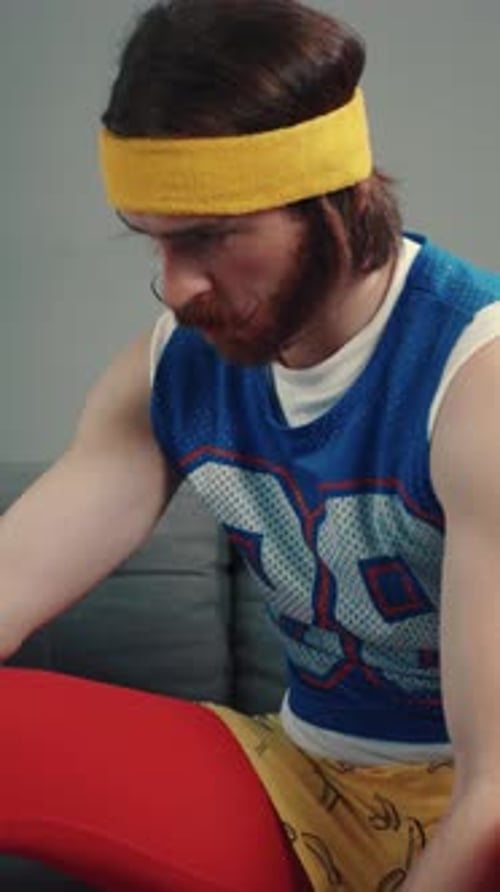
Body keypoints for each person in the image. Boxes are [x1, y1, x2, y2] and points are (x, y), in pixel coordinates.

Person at [0, 0, 499, 890]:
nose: (175, 287)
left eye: (210, 238)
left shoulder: (476, 382)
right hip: (299, 781)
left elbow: (493, 798)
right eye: (153, 242)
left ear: (338, 203)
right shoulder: (175, 369)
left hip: (471, 802)